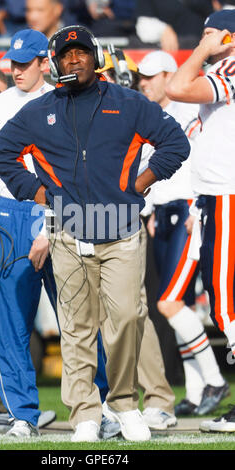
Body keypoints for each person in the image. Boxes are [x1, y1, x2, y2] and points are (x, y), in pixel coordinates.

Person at [0, 24, 190, 442]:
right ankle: (84, 412)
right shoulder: (38, 110)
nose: (73, 59)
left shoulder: (130, 102)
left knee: (125, 321)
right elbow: (2, 151)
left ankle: (122, 403)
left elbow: (175, 143)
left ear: (95, 57)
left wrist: (140, 182)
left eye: (80, 52)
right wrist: (39, 193)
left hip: (120, 231)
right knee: (77, 328)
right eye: (65, 54)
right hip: (67, 233)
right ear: (56, 62)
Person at [0, 28, 59, 437]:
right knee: (9, 324)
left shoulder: (65, 100)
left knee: (78, 320)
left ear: (45, 62)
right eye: (13, 62)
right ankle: (23, 414)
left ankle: (99, 407)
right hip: (10, 214)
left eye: (26, 62)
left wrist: (55, 221)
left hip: (60, 209)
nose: (17, 69)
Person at [138, 49, 229, 418]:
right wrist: (151, 208)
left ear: (168, 75)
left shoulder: (190, 106)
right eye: (142, 77)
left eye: (151, 76)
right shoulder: (158, 113)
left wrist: (195, 206)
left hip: (190, 208)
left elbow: (203, 156)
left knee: (169, 302)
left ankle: (214, 379)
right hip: (165, 210)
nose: (144, 83)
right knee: (181, 306)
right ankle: (194, 391)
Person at [96, 47, 177, 432]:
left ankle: (156, 398)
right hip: (82, 220)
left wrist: (137, 189)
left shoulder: (130, 108)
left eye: (107, 72)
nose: (101, 78)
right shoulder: (79, 107)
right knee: (92, 318)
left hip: (125, 219)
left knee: (132, 313)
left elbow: (166, 152)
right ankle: (105, 402)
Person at [165, 9, 235, 432]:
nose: (204, 39)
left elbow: (176, 85)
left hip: (227, 194)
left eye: (211, 32)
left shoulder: (229, 63)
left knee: (226, 304)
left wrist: (208, 48)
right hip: (215, 197)